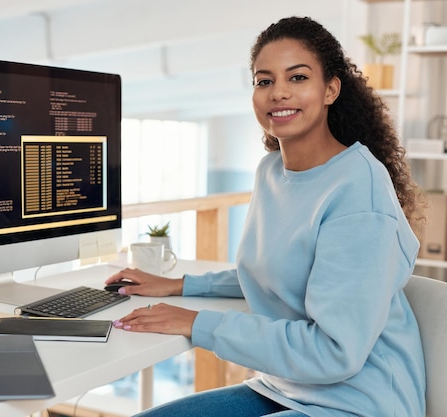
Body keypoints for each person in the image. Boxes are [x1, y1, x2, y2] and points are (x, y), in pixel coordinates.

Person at [106, 16, 427, 417]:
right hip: (284, 389)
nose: (278, 93)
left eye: (297, 78)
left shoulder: (359, 190)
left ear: (330, 89)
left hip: (358, 403)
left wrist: (197, 323)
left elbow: (335, 352)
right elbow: (277, 269)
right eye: (264, 81)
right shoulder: (272, 171)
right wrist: (178, 284)